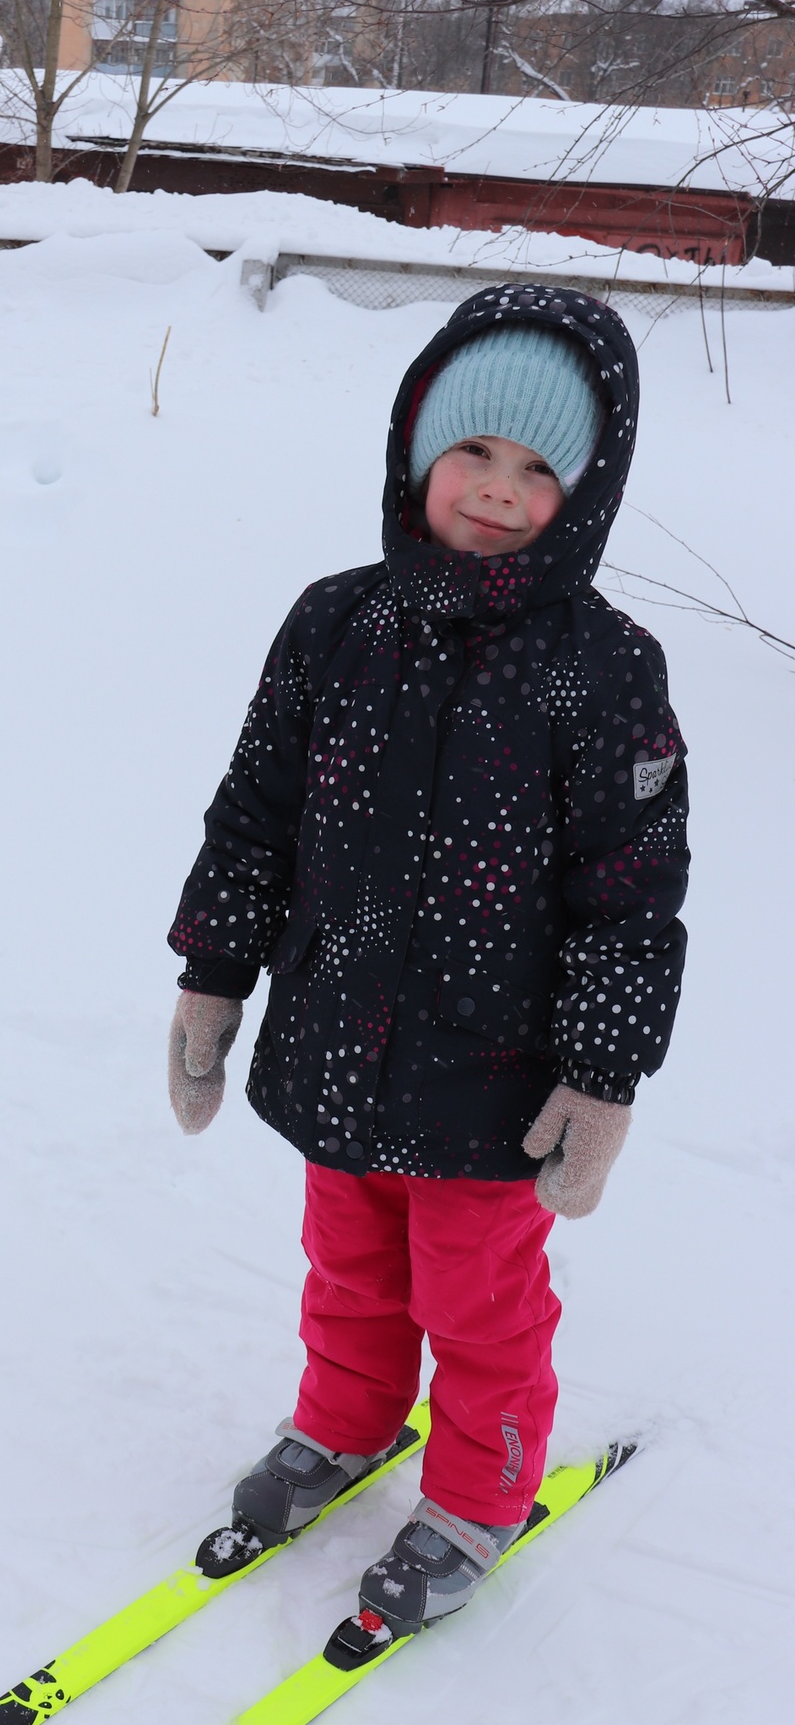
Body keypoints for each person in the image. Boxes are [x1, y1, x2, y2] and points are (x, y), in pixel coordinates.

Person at [167, 285, 688, 1647]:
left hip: (492, 1080)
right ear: (416, 450)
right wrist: (215, 973)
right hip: (337, 1042)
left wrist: (603, 1075)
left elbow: (631, 892)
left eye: (539, 471)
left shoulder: (605, 669)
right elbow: (256, 815)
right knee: (346, 1269)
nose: (500, 491)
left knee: (480, 1304)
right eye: (474, 452)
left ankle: (475, 1495)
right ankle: (342, 1424)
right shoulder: (335, 624)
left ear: (584, 493)